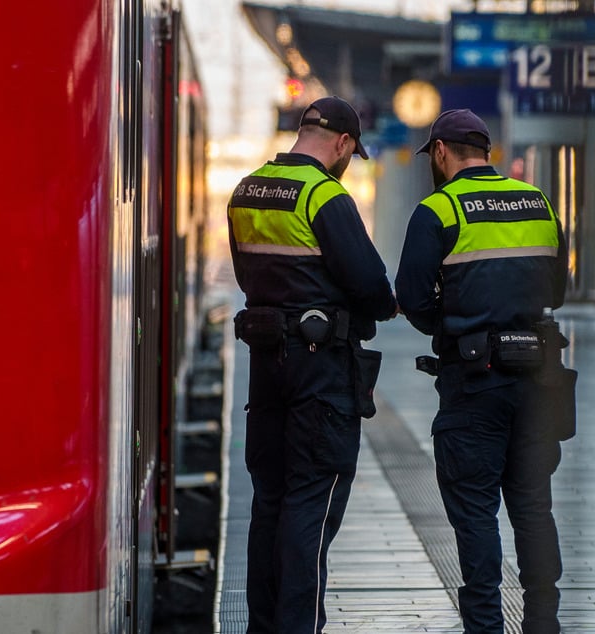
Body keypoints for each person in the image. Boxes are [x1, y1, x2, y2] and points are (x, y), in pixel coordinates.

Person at [395, 109, 574, 634]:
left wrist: (451, 329)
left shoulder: (439, 210)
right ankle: (543, 622)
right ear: (487, 152)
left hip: (475, 381)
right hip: (539, 377)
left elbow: (410, 297)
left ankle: (485, 626)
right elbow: (557, 293)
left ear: (443, 152)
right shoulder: (538, 202)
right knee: (533, 507)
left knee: (475, 512)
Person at [227, 96, 397, 633]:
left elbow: (246, 277)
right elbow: (370, 285)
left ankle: (264, 624)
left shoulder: (247, 190)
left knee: (270, 500)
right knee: (311, 502)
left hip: (265, 365)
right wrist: (380, 308)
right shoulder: (326, 196)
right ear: (344, 143)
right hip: (319, 372)